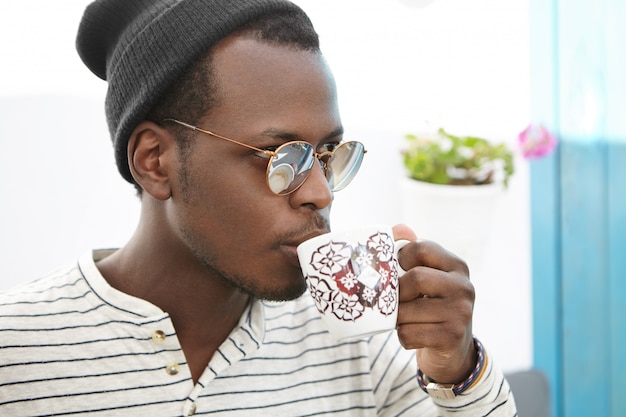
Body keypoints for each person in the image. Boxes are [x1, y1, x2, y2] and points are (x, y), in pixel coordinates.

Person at [0, 0, 517, 415]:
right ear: (154, 161)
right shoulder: (17, 355)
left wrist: (457, 369)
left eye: (327, 156)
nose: (321, 192)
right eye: (282, 158)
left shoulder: (358, 348)